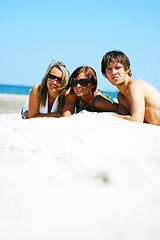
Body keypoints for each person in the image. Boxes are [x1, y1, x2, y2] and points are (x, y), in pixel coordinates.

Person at [101, 50, 160, 125]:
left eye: (118, 67)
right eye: (109, 69)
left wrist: (112, 115)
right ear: (105, 74)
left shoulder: (136, 86)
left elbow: (136, 120)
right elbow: (126, 118)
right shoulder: (121, 96)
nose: (113, 72)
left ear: (127, 69)